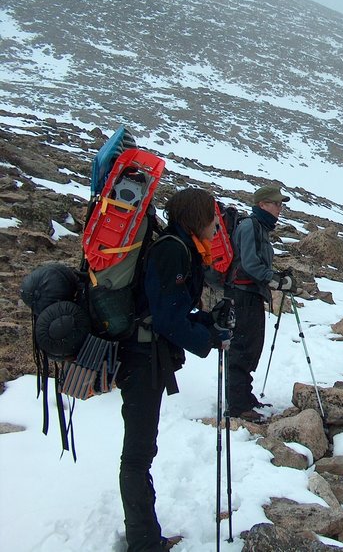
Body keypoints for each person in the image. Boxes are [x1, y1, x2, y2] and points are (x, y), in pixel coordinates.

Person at [117, 188, 232, 551]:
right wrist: (207, 339)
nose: (217, 225)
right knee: (137, 456)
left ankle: (146, 538)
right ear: (196, 217)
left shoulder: (182, 248)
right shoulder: (172, 250)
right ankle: (143, 542)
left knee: (140, 452)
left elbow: (173, 310)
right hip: (140, 359)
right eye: (213, 217)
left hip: (147, 355)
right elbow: (166, 317)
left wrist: (206, 322)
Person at [225, 184, 295, 421]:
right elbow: (250, 264)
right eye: (276, 203)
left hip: (251, 293)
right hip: (243, 294)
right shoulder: (250, 226)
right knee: (243, 347)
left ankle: (244, 397)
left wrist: (274, 277)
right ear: (262, 204)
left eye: (281, 204)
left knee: (252, 346)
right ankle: (237, 405)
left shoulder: (260, 228)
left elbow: (256, 263)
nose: (280, 208)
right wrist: (275, 280)